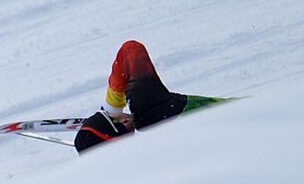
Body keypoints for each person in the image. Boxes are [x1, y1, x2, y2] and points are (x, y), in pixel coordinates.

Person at [74, 40, 226, 154]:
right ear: (126, 121)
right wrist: (112, 106)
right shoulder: (149, 109)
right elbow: (131, 50)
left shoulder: (153, 161)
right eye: (110, 116)